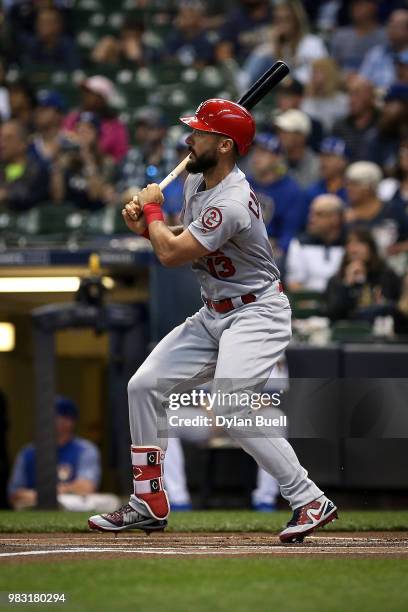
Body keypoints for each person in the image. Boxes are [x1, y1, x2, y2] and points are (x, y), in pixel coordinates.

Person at [88, 98, 338, 543]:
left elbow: (169, 255)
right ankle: (149, 500)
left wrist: (151, 215)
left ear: (224, 145)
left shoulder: (234, 201)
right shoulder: (198, 183)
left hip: (256, 312)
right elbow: (181, 241)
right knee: (143, 387)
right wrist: (149, 227)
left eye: (200, 132)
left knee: (231, 405)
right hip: (214, 312)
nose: (189, 139)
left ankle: (308, 498)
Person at [8, 397, 119, 512]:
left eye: (65, 417)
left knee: (109, 501)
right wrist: (43, 496)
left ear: (72, 421)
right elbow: (14, 493)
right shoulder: (27, 452)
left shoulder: (85, 449)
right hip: (34, 503)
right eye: (55, 417)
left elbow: (86, 487)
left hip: (71, 504)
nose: (59, 421)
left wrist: (51, 494)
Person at [242, 0, 327, 89]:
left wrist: (293, 80)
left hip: (307, 93)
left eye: (287, 19)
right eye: (278, 20)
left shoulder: (312, 43)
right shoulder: (273, 46)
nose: (282, 24)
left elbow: (322, 74)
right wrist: (274, 47)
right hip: (283, 95)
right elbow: (248, 77)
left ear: (296, 20)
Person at [325, 227, 401, 322]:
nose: (353, 249)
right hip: (346, 333)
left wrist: (383, 305)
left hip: (380, 331)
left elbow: (400, 307)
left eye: (359, 243)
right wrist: (346, 285)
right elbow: (333, 314)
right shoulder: (336, 280)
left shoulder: (387, 275)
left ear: (371, 247)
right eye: (349, 243)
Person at [246, 132, 305, 255]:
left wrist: (276, 248)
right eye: (255, 151)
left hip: (271, 254)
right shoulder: (242, 183)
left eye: (263, 152)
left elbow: (289, 234)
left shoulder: (291, 191)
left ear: (278, 158)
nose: (256, 157)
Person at [50, 111, 115, 211]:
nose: (83, 131)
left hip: (95, 215)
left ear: (97, 134)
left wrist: (87, 159)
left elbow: (95, 195)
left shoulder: (107, 162)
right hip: (68, 215)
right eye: (79, 127)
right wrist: (56, 158)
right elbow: (57, 197)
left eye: (89, 128)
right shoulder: (67, 160)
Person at [286, 194, 346, 292]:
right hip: (309, 302)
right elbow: (294, 284)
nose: (311, 219)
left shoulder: (350, 243)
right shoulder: (299, 243)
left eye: (319, 214)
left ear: (335, 218)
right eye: (311, 213)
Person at [62, 76, 129, 164]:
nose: (85, 96)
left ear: (102, 98)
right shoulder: (73, 118)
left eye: (90, 93)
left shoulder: (116, 127)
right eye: (84, 92)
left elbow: (120, 158)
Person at [345, 161, 408, 253]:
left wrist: (400, 248)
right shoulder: (345, 214)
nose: (349, 188)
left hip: (391, 264)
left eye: (355, 184)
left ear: (370, 186)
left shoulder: (393, 210)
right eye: (348, 184)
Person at [0, 119, 49, 211]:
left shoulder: (38, 169)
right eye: (0, 138)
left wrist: (6, 194)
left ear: (23, 143)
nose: (2, 144)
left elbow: (28, 196)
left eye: (8, 138)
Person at [302, 137, 349, 228]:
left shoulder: (351, 191)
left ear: (344, 161)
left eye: (329, 156)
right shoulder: (312, 191)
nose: (323, 161)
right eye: (322, 156)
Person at [332, 75, 379, 162]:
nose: (351, 100)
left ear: (371, 98)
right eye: (350, 95)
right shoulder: (340, 126)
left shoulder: (381, 125)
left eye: (357, 94)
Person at [330, 0, 386, 73]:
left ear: (373, 7)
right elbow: (333, 66)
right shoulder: (340, 35)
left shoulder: (385, 36)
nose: (356, 8)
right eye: (353, 4)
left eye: (360, 4)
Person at [19, 6, 80, 70]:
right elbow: (27, 67)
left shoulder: (68, 45)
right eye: (40, 22)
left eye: (47, 23)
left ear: (58, 25)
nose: (43, 27)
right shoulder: (32, 44)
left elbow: (73, 69)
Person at [359, 8, 408, 88]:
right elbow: (362, 82)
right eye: (390, 25)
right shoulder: (375, 53)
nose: (392, 29)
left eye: (397, 26)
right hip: (376, 98)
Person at [274, 109, 320, 188]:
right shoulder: (275, 159)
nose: (281, 135)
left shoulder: (316, 165)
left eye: (287, 132)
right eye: (280, 131)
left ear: (301, 136)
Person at [300, 58, 349, 133]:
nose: (313, 76)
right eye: (313, 72)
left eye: (318, 72)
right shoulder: (307, 100)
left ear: (330, 75)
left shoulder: (342, 101)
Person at [91, 17, 161, 67]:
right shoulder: (115, 47)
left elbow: (148, 72)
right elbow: (96, 63)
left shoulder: (150, 50)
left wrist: (135, 57)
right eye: (125, 36)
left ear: (140, 35)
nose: (127, 40)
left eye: (133, 36)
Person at [165, 1, 215, 67]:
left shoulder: (204, 39)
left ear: (198, 19)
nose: (186, 21)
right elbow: (167, 58)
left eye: (190, 17)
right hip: (177, 71)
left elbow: (204, 62)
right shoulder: (174, 37)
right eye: (183, 17)